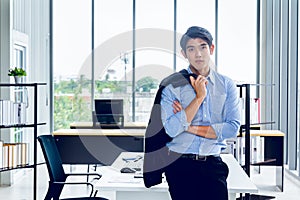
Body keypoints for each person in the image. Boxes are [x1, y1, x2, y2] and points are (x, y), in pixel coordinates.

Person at [160, 26, 241, 200]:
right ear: (184, 53)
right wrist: (199, 98)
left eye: (203, 47)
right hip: (179, 166)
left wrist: (186, 123)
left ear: (211, 49)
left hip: (213, 165)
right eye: (191, 49)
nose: (198, 54)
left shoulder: (226, 85)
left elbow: (232, 129)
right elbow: (172, 130)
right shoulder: (172, 85)